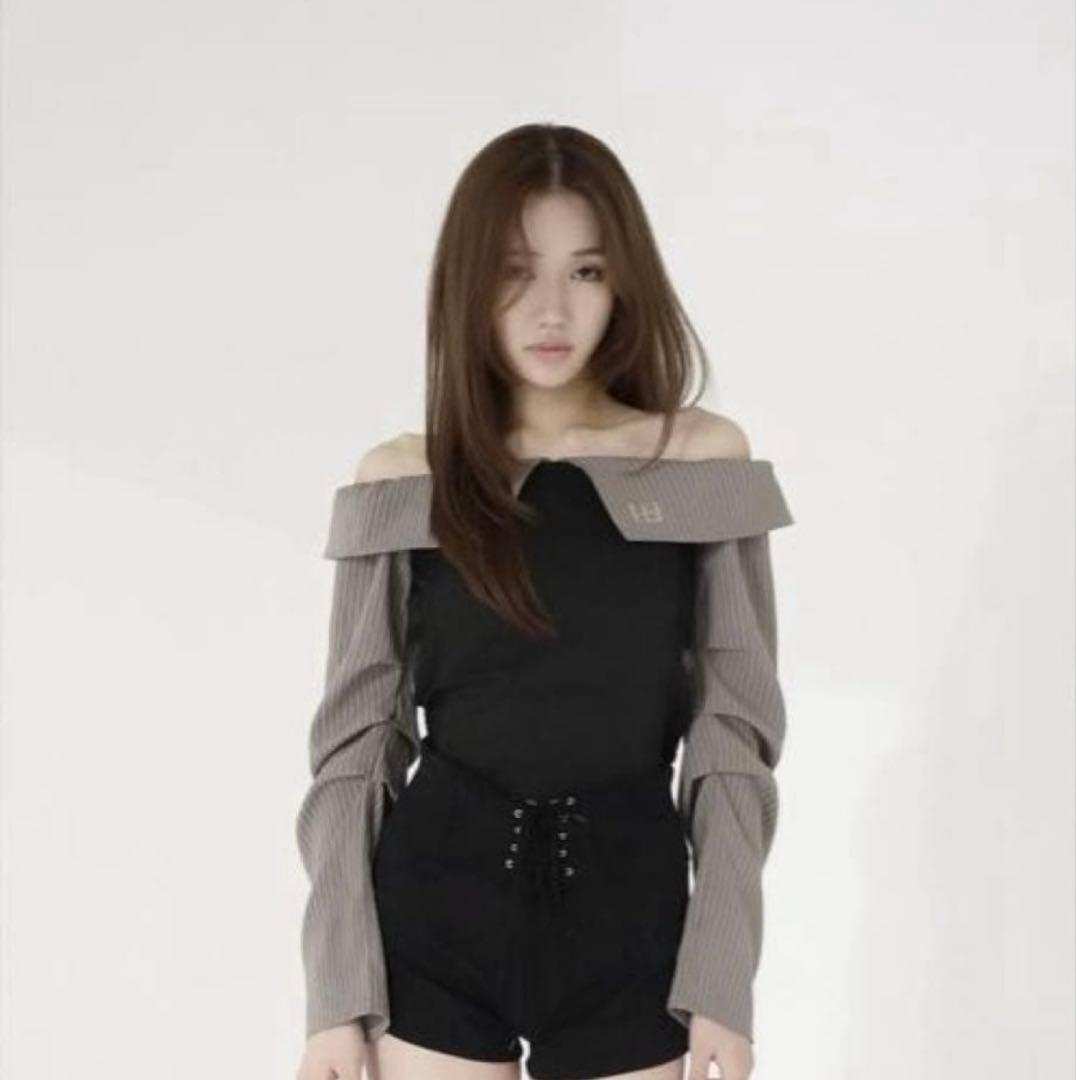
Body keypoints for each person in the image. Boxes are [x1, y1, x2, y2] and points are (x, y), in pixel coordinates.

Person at [295, 123, 794, 1080]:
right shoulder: (403, 478)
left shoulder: (699, 463)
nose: (552, 309)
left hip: (633, 927)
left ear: (625, 285)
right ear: (467, 285)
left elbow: (733, 736)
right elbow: (355, 747)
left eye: (587, 271)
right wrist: (335, 999)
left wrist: (723, 983)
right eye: (516, 272)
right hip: (432, 919)